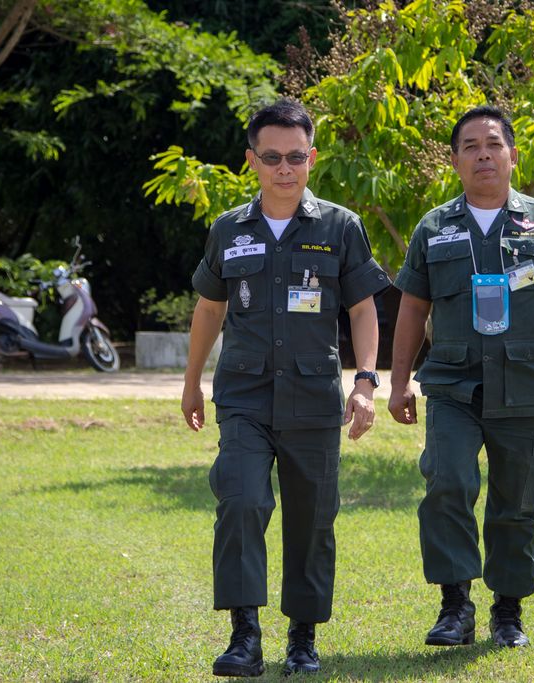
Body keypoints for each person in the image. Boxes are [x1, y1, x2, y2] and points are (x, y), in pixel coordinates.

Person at [182, 98, 390, 677]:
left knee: (312, 519)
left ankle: (302, 637)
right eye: (271, 157)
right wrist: (192, 381)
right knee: (241, 501)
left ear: (311, 158)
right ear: (251, 160)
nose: (284, 169)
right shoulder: (228, 229)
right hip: (244, 397)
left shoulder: (340, 227)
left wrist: (366, 382)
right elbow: (209, 309)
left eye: (295, 157)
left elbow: (363, 310)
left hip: (314, 399)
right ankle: (244, 635)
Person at [388, 105, 534, 649]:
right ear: (455, 161)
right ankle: (455, 606)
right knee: (447, 484)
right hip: (452, 385)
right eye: (470, 147)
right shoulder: (434, 227)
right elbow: (412, 308)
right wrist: (399, 380)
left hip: (524, 384)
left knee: (520, 500)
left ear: (512, 155)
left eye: (493, 145)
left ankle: (508, 611)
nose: (483, 155)